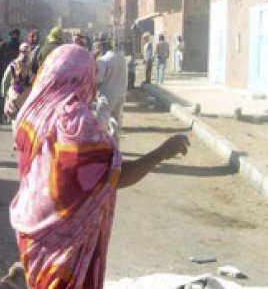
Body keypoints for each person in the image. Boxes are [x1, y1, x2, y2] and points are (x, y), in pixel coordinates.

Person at [10, 44, 190, 288]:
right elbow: (116, 176)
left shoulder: (32, 114)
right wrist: (161, 152)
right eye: (92, 77)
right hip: (65, 244)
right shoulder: (75, 124)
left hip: (31, 231)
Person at [94, 39, 128, 145]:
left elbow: (98, 79)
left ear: (102, 48)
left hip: (107, 96)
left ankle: (101, 147)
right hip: (121, 94)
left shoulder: (103, 60)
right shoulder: (121, 58)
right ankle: (115, 148)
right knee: (116, 123)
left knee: (102, 123)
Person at [0, 29, 21, 123]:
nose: (15, 37)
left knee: (8, 95)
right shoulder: (4, 46)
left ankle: (6, 115)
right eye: (14, 35)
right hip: (4, 73)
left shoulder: (20, 47)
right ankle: (1, 116)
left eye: (16, 35)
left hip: (13, 75)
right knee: (2, 95)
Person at [1, 43, 34, 126]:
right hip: (27, 95)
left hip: (14, 94)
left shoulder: (13, 64)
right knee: (24, 119)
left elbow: (5, 79)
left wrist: (4, 92)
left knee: (15, 119)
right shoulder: (32, 66)